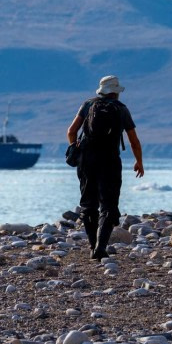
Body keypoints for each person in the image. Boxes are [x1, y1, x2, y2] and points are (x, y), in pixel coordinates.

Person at [66, 75, 144, 260]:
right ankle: (101, 248)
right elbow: (134, 141)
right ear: (116, 92)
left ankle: (93, 246)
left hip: (87, 159)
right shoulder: (121, 109)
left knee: (88, 204)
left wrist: (75, 147)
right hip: (109, 159)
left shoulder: (88, 105)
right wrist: (138, 161)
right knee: (108, 204)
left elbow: (71, 131)